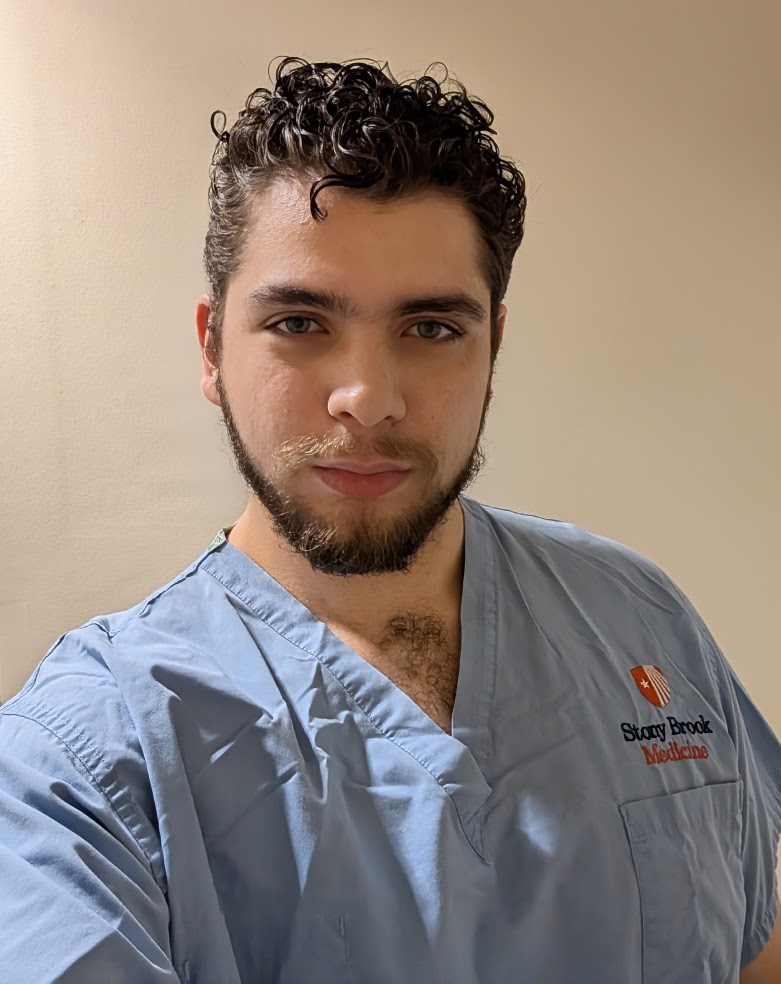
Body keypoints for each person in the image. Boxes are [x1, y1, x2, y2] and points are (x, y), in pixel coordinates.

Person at [0, 56, 779, 984]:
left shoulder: (637, 615)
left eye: (430, 328)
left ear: (494, 346)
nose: (367, 400)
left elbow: (756, 942)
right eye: (298, 323)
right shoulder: (83, 765)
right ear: (210, 348)